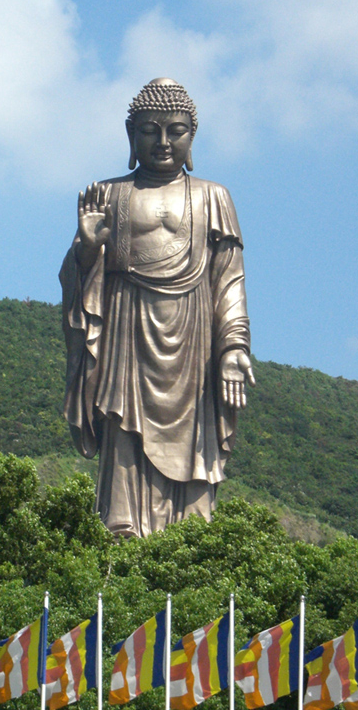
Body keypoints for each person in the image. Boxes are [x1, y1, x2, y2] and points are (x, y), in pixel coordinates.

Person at [60, 78, 255, 537]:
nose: (163, 142)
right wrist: (87, 250)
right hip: (127, 334)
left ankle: (192, 538)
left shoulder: (213, 197)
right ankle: (123, 528)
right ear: (132, 136)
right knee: (124, 430)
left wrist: (233, 348)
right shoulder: (110, 195)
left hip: (193, 341)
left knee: (195, 445)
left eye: (176, 130)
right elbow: (79, 280)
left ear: (192, 136)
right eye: (150, 130)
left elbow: (228, 280)